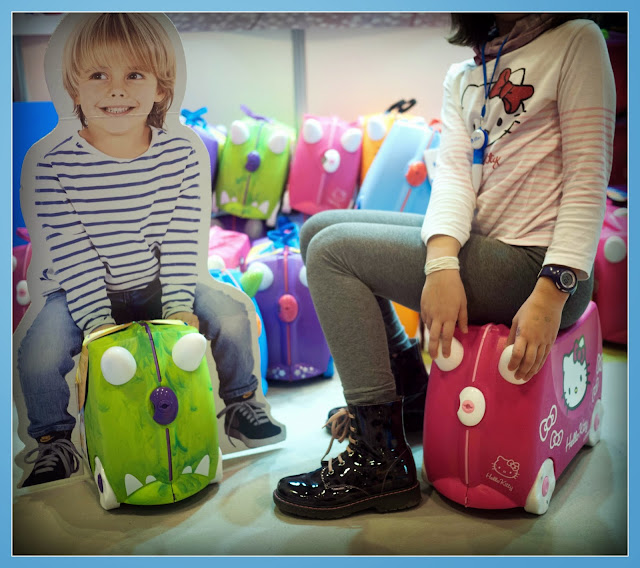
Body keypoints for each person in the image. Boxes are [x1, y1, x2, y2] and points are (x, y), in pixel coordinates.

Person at [273, 13, 615, 519]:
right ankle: (411, 390)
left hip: (540, 269)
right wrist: (441, 265)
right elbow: (454, 176)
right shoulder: (465, 72)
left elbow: (589, 179)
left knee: (332, 254)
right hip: (490, 248)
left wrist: (551, 291)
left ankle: (378, 460)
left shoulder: (576, 40)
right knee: (317, 231)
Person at [17, 13, 283, 488]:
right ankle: (52, 439)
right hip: (80, 292)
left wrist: (180, 305)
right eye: (98, 75)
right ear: (73, 89)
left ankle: (242, 403)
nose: (116, 90)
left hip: (161, 283)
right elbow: (72, 254)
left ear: (161, 88)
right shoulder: (53, 166)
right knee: (39, 349)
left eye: (133, 75)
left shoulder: (180, 154)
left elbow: (183, 237)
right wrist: (97, 322)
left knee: (232, 313)